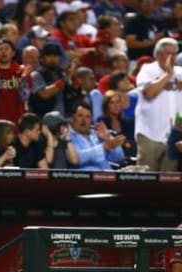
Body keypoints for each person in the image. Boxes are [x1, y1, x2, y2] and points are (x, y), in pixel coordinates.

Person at [135, 37, 181, 172]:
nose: (171, 57)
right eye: (168, 53)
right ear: (158, 55)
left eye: (174, 53)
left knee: (169, 180)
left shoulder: (180, 72)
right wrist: (167, 75)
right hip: (150, 133)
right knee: (146, 179)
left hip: (174, 135)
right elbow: (149, 93)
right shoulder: (147, 70)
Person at [69, 102, 125, 170]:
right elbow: (77, 158)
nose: (83, 120)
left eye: (87, 117)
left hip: (108, 176)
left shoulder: (98, 133)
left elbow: (119, 157)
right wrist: (104, 147)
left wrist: (107, 138)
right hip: (84, 177)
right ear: (72, 117)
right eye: (80, 115)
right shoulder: (67, 136)